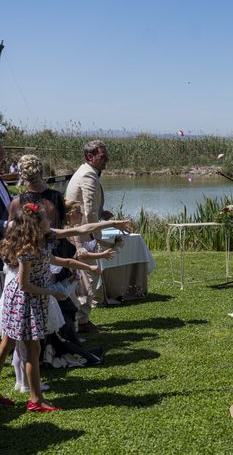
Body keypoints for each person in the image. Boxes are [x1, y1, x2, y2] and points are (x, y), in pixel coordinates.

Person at [0, 203, 99, 411]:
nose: (50, 221)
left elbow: (57, 259)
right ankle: (36, 400)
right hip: (24, 301)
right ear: (36, 224)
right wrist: (53, 292)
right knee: (31, 348)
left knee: (9, 343)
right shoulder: (28, 249)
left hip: (30, 299)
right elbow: (24, 284)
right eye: (45, 218)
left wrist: (86, 265)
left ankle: (36, 398)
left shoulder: (41, 243)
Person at [64, 140, 113, 333]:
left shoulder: (87, 172)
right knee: (87, 277)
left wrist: (103, 213)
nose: (106, 160)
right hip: (82, 233)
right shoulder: (88, 175)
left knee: (83, 276)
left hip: (79, 230)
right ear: (90, 157)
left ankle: (79, 318)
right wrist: (100, 236)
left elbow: (91, 208)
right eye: (102, 157)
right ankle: (82, 321)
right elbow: (90, 210)